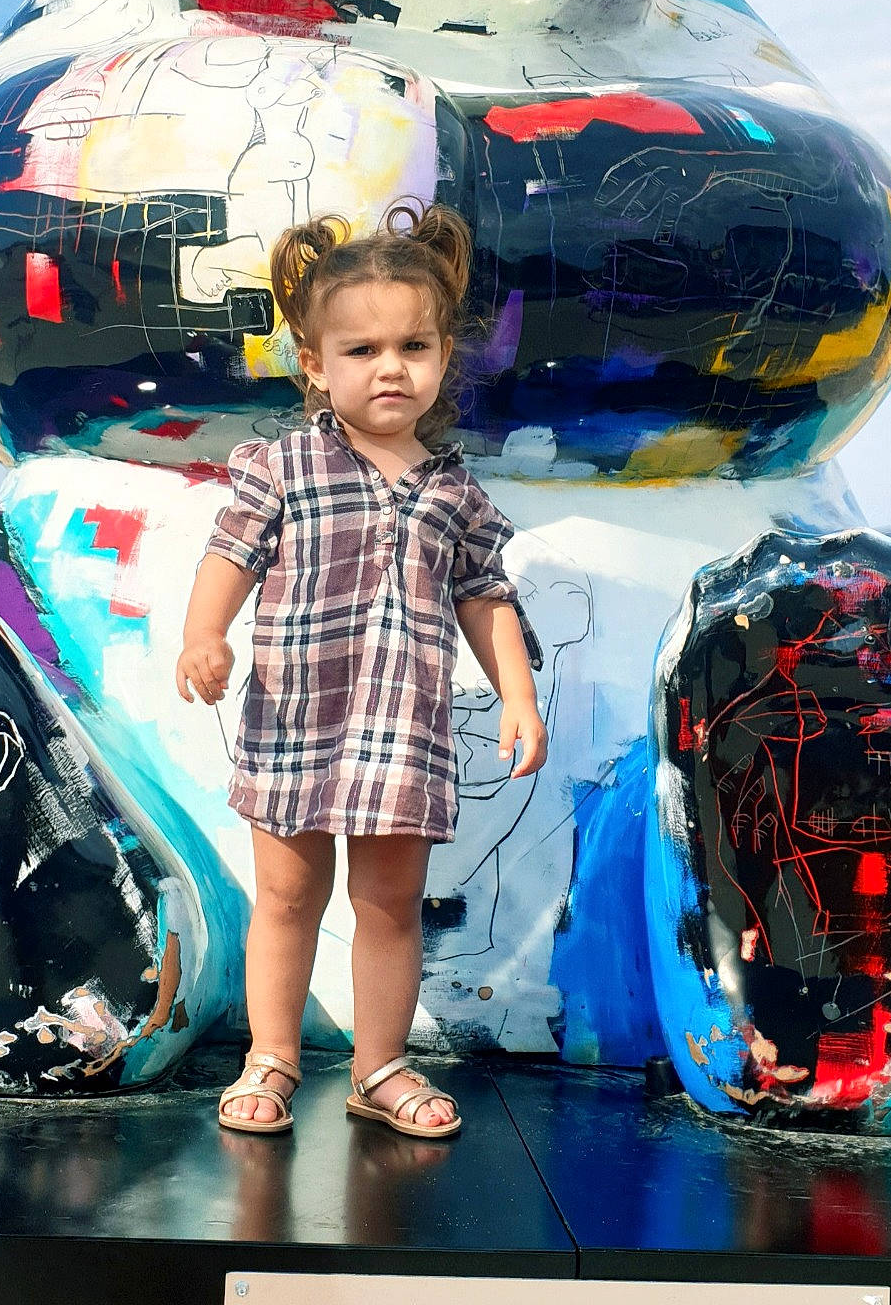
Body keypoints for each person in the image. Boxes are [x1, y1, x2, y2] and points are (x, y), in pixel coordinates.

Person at [177, 200, 547, 1142]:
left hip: (403, 728)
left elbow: (484, 596)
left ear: (441, 358)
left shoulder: (453, 488)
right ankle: (273, 1056)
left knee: (387, 904)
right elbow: (229, 554)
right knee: (288, 894)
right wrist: (204, 635)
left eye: (413, 347)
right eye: (362, 350)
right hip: (297, 719)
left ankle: (379, 1064)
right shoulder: (285, 465)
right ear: (314, 364)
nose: (391, 367)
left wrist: (517, 694)